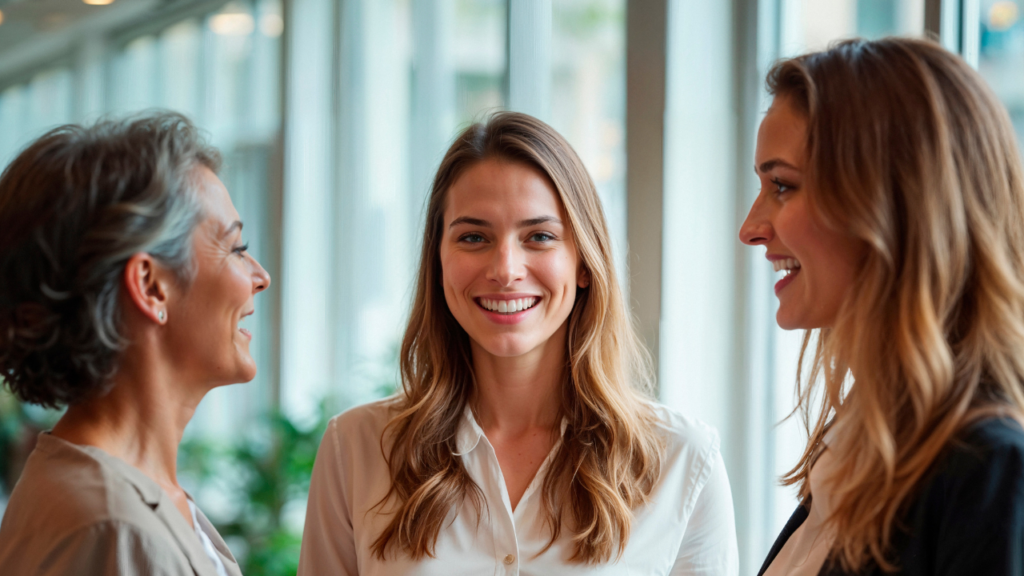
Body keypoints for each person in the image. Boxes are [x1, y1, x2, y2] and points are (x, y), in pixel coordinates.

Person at [298, 112, 739, 575]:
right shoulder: (356, 449)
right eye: (473, 237)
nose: (505, 269)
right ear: (439, 261)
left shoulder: (682, 461)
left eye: (540, 237)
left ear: (584, 263)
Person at [741, 37, 1024, 575]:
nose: (751, 229)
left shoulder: (989, 469)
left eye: (782, 185)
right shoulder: (861, 442)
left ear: (891, 205)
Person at [0, 113, 270, 575]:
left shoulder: (129, 498)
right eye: (236, 249)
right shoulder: (111, 528)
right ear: (150, 286)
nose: (259, 278)